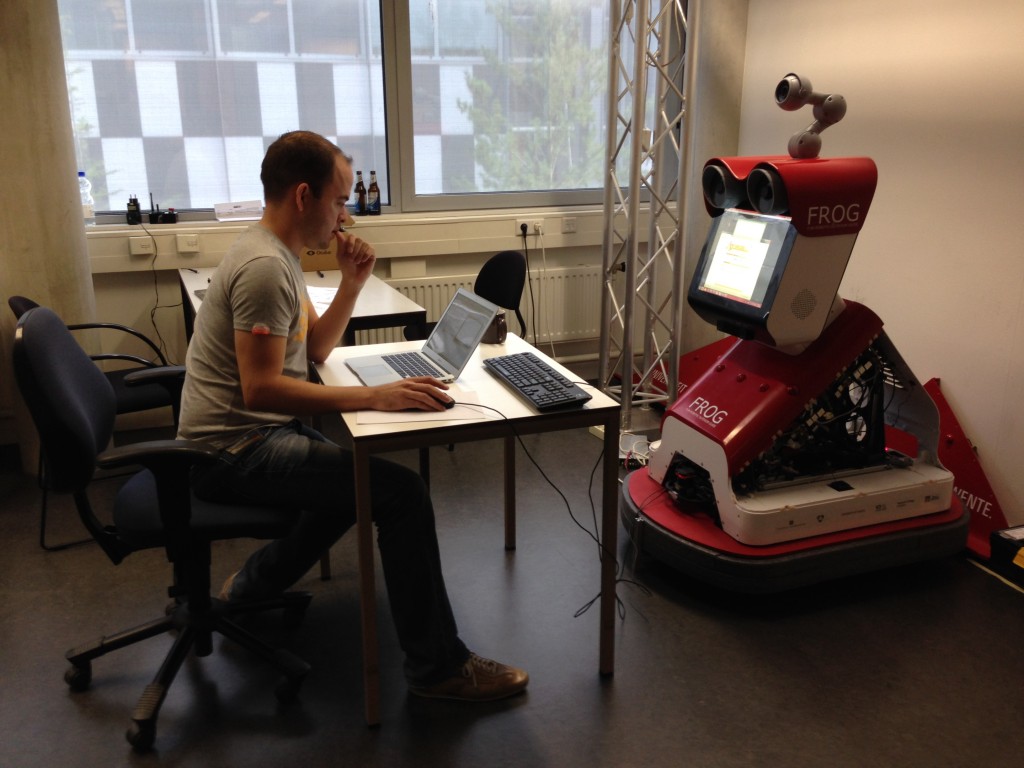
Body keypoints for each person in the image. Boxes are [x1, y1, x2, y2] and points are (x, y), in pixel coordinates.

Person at [177, 130, 528, 702]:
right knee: (400, 493)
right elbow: (262, 388)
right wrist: (374, 396)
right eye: (339, 201)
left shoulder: (276, 254)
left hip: (239, 438)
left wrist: (352, 283)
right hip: (231, 451)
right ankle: (438, 668)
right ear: (302, 196)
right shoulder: (266, 269)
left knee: (353, 487)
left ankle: (251, 587)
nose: (344, 216)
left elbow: (312, 353)